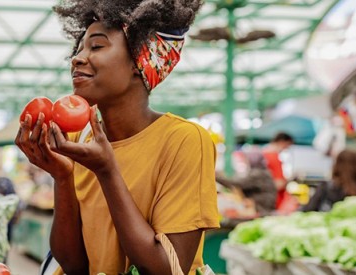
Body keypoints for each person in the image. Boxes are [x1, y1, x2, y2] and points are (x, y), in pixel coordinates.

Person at [15, 1, 219, 274]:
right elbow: (74, 264)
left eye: (96, 46)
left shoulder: (183, 140)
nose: (77, 58)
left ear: (141, 58)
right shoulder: (78, 138)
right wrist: (62, 178)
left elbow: (167, 270)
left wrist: (107, 171)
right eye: (79, 49)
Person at [216, 150, 277, 215]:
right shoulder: (262, 172)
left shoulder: (258, 174)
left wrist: (215, 176)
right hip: (261, 207)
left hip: (262, 209)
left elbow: (236, 183)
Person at [262, 132, 294, 209]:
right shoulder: (273, 156)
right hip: (275, 201)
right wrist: (288, 180)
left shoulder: (263, 153)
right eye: (287, 146)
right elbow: (279, 183)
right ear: (282, 142)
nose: (286, 149)